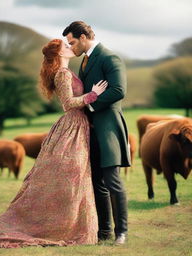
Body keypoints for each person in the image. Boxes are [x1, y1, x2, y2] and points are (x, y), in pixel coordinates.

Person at [0, 39, 107, 248]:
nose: (70, 48)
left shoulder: (67, 72)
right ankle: (63, 227)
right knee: (72, 178)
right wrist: (93, 94)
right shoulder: (62, 74)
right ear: (58, 55)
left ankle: (74, 225)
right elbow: (68, 104)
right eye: (65, 47)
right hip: (71, 127)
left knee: (77, 179)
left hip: (79, 127)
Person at [63, 21, 131, 245]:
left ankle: (121, 232)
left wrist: (90, 105)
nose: (71, 47)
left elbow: (118, 90)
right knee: (96, 182)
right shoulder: (85, 60)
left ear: (83, 37)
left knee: (112, 181)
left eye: (72, 42)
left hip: (108, 127)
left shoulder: (109, 58)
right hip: (89, 130)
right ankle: (104, 232)